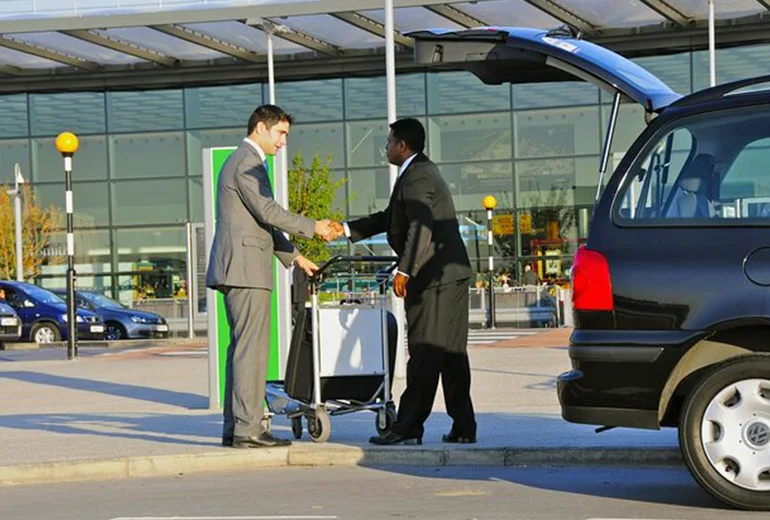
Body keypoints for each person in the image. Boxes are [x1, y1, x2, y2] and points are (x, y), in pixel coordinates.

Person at [328, 118, 476, 445]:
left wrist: (405, 270)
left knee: (424, 352)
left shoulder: (417, 175)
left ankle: (408, 426)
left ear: (402, 146)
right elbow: (391, 218)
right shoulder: (418, 172)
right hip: (449, 275)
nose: (386, 148)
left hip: (434, 278)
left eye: (389, 143)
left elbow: (420, 226)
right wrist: (347, 228)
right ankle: (464, 426)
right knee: (450, 353)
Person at [206, 104, 336, 449]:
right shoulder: (246, 162)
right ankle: (248, 429)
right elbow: (268, 211)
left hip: (241, 267)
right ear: (261, 128)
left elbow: (260, 221)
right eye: (280, 133)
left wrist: (296, 258)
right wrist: (314, 227)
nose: (283, 142)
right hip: (246, 269)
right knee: (251, 351)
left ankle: (236, 427)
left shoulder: (243, 161)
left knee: (241, 350)